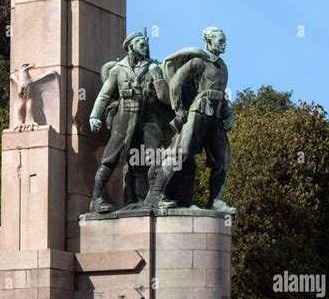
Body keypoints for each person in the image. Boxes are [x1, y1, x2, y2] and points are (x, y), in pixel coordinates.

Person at [145, 26, 236, 214]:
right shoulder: (198, 62)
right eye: (220, 40)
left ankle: (215, 200)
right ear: (208, 41)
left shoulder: (223, 66)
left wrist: (229, 113)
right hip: (199, 112)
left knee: (222, 159)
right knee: (182, 153)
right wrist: (178, 109)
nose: (224, 43)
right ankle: (157, 195)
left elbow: (221, 95)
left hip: (217, 116)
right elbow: (176, 82)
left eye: (224, 39)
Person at [88, 31, 175, 213]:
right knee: (111, 158)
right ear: (130, 47)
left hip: (149, 118)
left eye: (145, 43)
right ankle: (96, 199)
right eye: (140, 43)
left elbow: (166, 98)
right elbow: (104, 95)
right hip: (125, 117)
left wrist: (157, 78)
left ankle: (155, 197)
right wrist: (94, 116)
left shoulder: (153, 67)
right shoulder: (118, 69)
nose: (144, 46)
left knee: (157, 156)